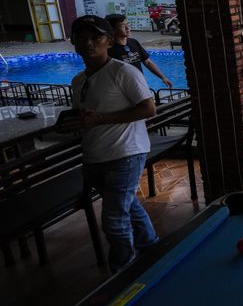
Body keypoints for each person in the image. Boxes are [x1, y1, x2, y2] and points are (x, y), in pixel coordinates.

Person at [60, 15, 158, 272]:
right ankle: (151, 247)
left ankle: (122, 273)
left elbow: (149, 108)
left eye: (96, 37)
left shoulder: (123, 72)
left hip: (126, 154)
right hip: (94, 157)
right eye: (82, 38)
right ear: (74, 42)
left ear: (109, 41)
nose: (89, 43)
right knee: (129, 207)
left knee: (114, 221)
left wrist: (101, 119)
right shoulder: (78, 81)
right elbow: (85, 118)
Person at [104, 14, 173, 89]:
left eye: (128, 24)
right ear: (112, 30)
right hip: (121, 88)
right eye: (123, 26)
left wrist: (162, 77)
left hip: (139, 84)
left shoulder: (134, 43)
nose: (128, 28)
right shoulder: (108, 49)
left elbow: (147, 62)